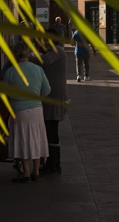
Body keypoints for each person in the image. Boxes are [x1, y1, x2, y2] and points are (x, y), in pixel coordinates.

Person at [1, 42, 50, 182]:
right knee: (36, 138)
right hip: (36, 110)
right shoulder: (38, 70)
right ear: (29, 54)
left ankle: (26, 173)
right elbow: (47, 90)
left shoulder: (11, 71)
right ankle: (36, 172)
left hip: (19, 110)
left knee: (23, 140)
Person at [35, 39, 68, 174]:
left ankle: (53, 164)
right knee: (51, 130)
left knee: (51, 130)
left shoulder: (56, 50)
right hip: (53, 96)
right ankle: (55, 163)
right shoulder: (56, 51)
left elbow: (44, 61)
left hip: (54, 98)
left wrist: (27, 56)